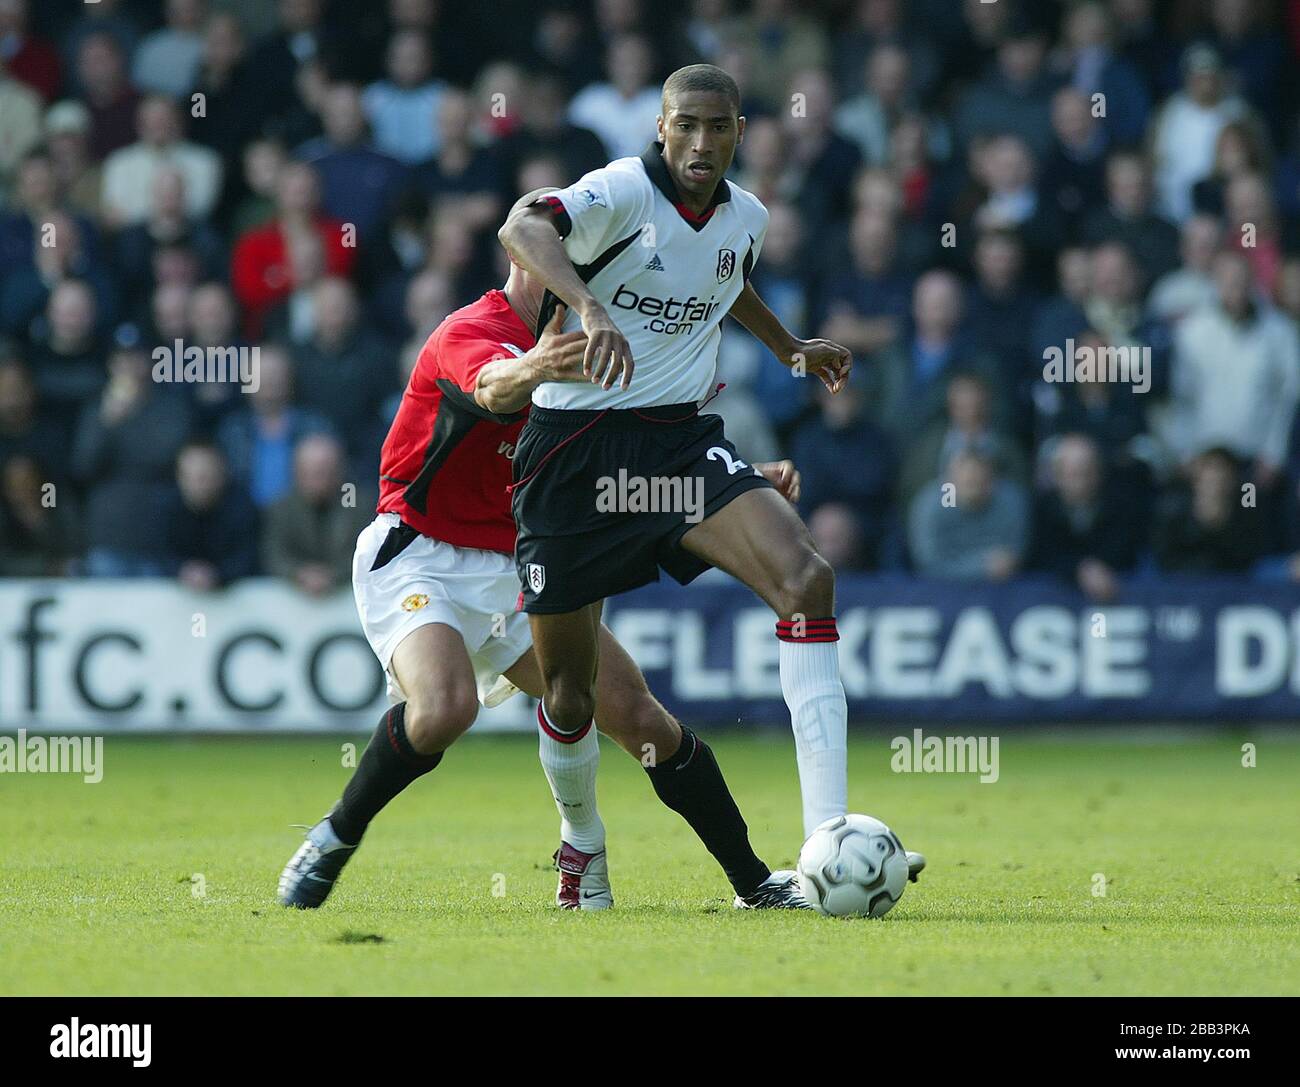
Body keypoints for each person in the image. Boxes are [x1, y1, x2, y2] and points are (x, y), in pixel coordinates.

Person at [278, 232, 831, 913]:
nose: (585, 284)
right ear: (522, 260)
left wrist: (733, 485)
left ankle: (752, 882)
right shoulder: (472, 330)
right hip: (420, 551)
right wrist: (537, 366)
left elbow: (618, 482)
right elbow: (491, 383)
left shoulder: (606, 350)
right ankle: (335, 834)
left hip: (524, 561)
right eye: (569, 269)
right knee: (444, 708)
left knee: (641, 721)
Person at [497, 64, 922, 871]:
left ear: (738, 133)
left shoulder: (748, 217)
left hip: (678, 443)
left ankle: (827, 841)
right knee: (570, 694)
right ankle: (582, 843)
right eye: (685, 124)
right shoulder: (621, 190)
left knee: (806, 579)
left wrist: (789, 346)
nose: (700, 141)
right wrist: (588, 308)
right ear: (660, 127)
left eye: (717, 127)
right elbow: (522, 226)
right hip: (571, 450)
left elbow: (724, 282)